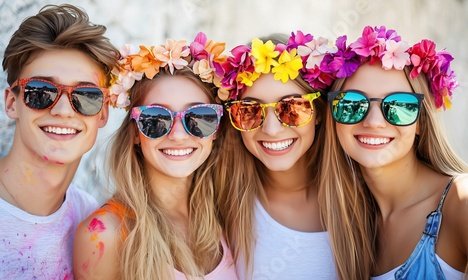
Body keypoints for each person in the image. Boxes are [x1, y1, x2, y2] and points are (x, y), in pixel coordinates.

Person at [0, 4, 119, 279]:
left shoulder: (91, 222)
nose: (63, 110)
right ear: (12, 102)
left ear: (103, 113)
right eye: (41, 91)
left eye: (86, 96)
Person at [73, 32, 238, 280]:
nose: (179, 135)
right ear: (136, 133)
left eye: (200, 117)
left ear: (216, 130)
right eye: (156, 119)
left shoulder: (229, 217)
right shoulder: (105, 234)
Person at [215, 31, 372, 279]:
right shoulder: (221, 204)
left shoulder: (365, 200)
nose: (271, 129)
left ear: (319, 112)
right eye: (249, 111)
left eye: (292, 108)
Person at [321, 25, 468, 279]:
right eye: (352, 104)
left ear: (421, 121)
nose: (374, 122)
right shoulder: (346, 221)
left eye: (400, 105)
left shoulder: (460, 201)